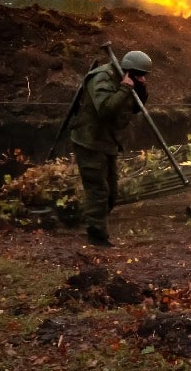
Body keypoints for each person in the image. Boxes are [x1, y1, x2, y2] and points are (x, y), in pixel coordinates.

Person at [68, 49, 151, 247]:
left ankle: (93, 222)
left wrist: (139, 89)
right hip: (89, 141)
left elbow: (134, 108)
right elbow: (105, 109)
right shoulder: (103, 78)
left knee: (112, 192)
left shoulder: (126, 79)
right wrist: (124, 89)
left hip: (108, 141)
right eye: (139, 74)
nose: (142, 77)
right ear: (128, 70)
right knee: (98, 190)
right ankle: (97, 238)